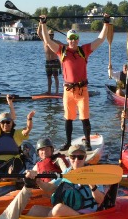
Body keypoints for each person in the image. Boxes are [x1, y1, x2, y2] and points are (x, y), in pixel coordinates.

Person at [39, 14, 110, 151]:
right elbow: (47, 40)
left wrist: (106, 24)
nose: (73, 41)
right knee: (68, 119)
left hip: (82, 91)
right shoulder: (62, 51)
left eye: (75, 38)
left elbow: (100, 39)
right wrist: (43, 23)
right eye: (70, 38)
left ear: (78, 40)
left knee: (84, 118)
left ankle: (88, 143)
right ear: (67, 40)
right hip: (68, 92)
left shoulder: (84, 50)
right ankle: (68, 143)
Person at [30, 143, 108, 216]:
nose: (76, 160)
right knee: (35, 209)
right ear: (69, 158)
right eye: (73, 157)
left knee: (58, 208)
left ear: (85, 158)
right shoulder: (67, 172)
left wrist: (92, 186)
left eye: (80, 157)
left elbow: (100, 200)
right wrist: (38, 180)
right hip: (69, 210)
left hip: (84, 214)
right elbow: (49, 187)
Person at [37, 24, 60, 94]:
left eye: (52, 35)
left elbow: (65, 45)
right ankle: (49, 91)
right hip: (48, 62)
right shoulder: (45, 41)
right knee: (48, 77)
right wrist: (40, 24)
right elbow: (38, 32)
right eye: (50, 35)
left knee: (55, 77)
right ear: (48, 35)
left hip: (55, 61)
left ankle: (57, 92)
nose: (51, 36)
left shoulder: (56, 42)